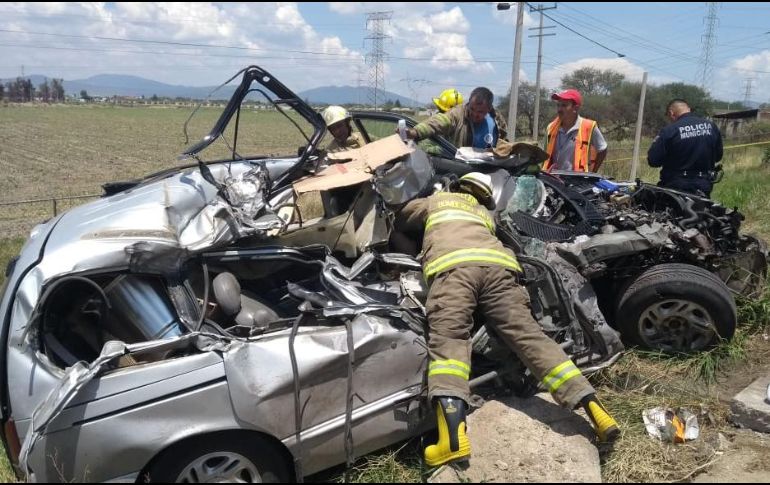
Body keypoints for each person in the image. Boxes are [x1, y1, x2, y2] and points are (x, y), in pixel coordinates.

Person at [395, 172, 620, 467]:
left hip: (454, 269)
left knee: (449, 340)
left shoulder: (438, 201)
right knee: (531, 339)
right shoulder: (485, 214)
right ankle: (596, 411)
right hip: (500, 270)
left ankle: (451, 440)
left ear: (458, 186)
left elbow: (401, 218)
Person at [647, 99, 723, 197]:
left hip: (675, 188)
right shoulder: (711, 126)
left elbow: (653, 161)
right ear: (689, 109)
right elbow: (718, 156)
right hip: (703, 186)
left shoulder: (670, 131)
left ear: (671, 113)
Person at [404, 87, 508, 150]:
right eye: (472, 109)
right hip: (463, 169)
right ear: (469, 103)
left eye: (480, 112)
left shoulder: (496, 119)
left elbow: (503, 142)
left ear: (489, 108)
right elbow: (439, 121)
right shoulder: (458, 113)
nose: (474, 114)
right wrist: (415, 132)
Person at [542, 89, 608, 173]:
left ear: (575, 108)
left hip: (578, 178)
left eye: (564, 105)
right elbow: (545, 155)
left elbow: (602, 149)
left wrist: (593, 172)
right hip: (553, 177)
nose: (559, 109)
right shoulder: (551, 127)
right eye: (558, 105)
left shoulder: (588, 126)